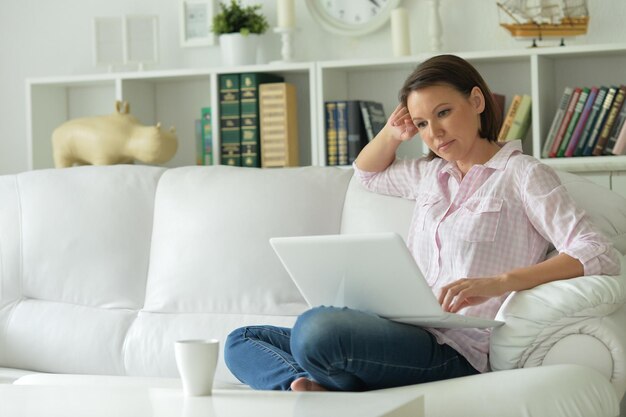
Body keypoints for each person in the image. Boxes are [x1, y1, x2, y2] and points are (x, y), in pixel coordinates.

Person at [223, 54, 621, 392]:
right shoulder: (430, 175)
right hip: (399, 328)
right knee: (241, 341)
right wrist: (393, 134)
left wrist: (499, 283)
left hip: (456, 349)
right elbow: (368, 173)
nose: (435, 133)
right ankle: (311, 386)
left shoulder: (523, 175)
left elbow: (596, 251)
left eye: (443, 113)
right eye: (423, 124)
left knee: (317, 330)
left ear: (477, 101)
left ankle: (331, 376)